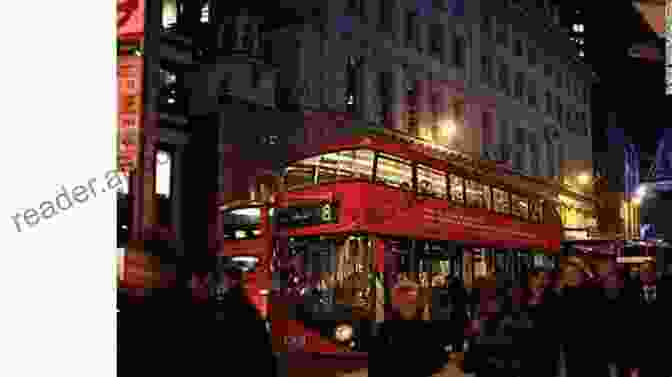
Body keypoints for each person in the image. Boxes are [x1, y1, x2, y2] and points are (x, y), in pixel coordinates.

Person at [373, 279, 451, 377]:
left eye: (410, 302)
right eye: (402, 302)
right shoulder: (385, 329)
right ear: (395, 305)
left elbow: (439, 360)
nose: (406, 307)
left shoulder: (428, 329)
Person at [557, 260, 603, 377]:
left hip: (591, 347)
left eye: (574, 274)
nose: (571, 277)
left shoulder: (591, 290)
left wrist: (586, 268)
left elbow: (598, 286)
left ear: (581, 275)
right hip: (570, 348)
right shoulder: (561, 294)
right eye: (568, 275)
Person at [515, 269, 560, 377]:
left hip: (546, 350)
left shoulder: (552, 297)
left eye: (545, 279)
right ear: (531, 279)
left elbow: (554, 323)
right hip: (525, 350)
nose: (542, 282)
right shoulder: (521, 296)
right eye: (539, 278)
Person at [631, 261, 670, 377]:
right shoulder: (630, 293)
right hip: (640, 355)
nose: (646, 274)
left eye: (649, 271)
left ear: (655, 273)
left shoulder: (667, 291)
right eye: (643, 271)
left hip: (663, 355)